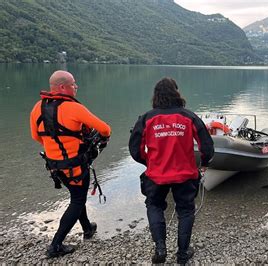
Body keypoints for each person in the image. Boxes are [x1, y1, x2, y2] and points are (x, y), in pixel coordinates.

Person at [129, 77, 214, 264]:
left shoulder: (146, 118)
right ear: (177, 93)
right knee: (185, 211)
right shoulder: (189, 116)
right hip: (185, 174)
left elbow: (135, 150)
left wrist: (148, 162)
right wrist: (204, 162)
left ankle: (160, 248)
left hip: (156, 174)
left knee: (154, 206)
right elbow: (207, 146)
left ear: (155, 96)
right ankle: (182, 254)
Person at [30, 70, 111, 257]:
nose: (76, 86)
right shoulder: (75, 108)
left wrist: (55, 146)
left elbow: (36, 136)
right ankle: (55, 245)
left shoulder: (37, 108)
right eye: (73, 84)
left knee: (76, 195)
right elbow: (106, 129)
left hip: (55, 167)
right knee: (77, 200)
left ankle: (87, 229)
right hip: (76, 167)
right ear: (62, 87)